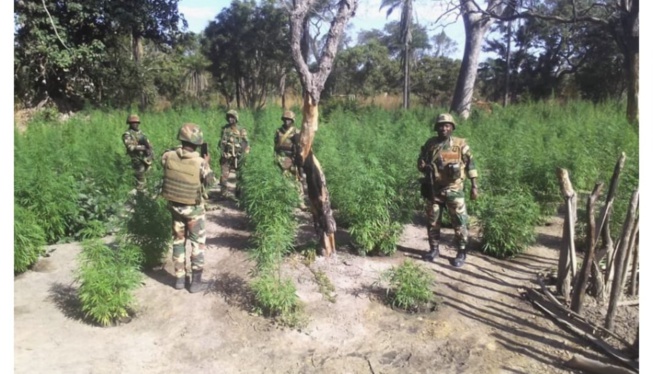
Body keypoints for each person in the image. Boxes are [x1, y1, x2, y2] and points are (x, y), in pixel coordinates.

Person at [417, 113, 479, 267]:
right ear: (436, 128)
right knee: (433, 221)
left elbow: (471, 165)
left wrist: (474, 186)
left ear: (452, 128)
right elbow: (420, 162)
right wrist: (423, 166)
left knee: (459, 222)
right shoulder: (430, 144)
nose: (443, 128)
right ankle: (434, 249)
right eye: (440, 125)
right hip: (434, 189)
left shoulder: (460, 145)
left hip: (454, 189)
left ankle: (461, 251)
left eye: (447, 125)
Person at [161, 123, 216, 293]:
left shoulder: (168, 156)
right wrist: (207, 163)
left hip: (175, 207)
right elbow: (211, 182)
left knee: (178, 242)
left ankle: (178, 279)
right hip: (193, 210)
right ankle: (196, 283)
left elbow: (165, 163)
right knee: (197, 244)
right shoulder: (200, 162)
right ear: (198, 143)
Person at [274, 110, 307, 210]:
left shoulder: (296, 132)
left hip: (292, 159)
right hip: (280, 158)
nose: (287, 121)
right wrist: (275, 158)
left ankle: (300, 202)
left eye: (289, 119)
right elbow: (275, 146)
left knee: (297, 181)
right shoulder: (278, 131)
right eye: (285, 119)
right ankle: (282, 201)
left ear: (292, 120)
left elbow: (299, 148)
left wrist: (298, 161)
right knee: (280, 181)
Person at [218, 109, 250, 197]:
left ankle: (238, 194)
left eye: (232, 117)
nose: (230, 119)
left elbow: (246, 143)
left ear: (236, 118)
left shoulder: (241, 129)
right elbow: (221, 142)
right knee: (224, 175)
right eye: (229, 117)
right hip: (226, 156)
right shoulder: (224, 129)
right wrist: (222, 152)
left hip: (238, 156)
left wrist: (244, 155)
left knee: (239, 176)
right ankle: (223, 193)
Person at [122, 114, 153, 191]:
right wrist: (142, 148)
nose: (136, 124)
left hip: (145, 158)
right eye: (133, 122)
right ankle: (139, 193)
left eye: (137, 122)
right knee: (140, 176)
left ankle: (147, 192)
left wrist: (149, 151)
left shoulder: (141, 133)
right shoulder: (127, 134)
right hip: (136, 159)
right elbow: (130, 147)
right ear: (130, 123)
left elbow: (148, 144)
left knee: (149, 174)